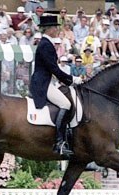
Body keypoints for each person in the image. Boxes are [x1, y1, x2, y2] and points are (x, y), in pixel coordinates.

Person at [29, 15, 83, 157]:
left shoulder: (47, 43)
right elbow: (54, 69)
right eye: (55, 27)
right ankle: (59, 142)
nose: (57, 29)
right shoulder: (46, 45)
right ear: (49, 29)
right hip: (42, 83)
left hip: (47, 81)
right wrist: (72, 80)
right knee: (66, 104)